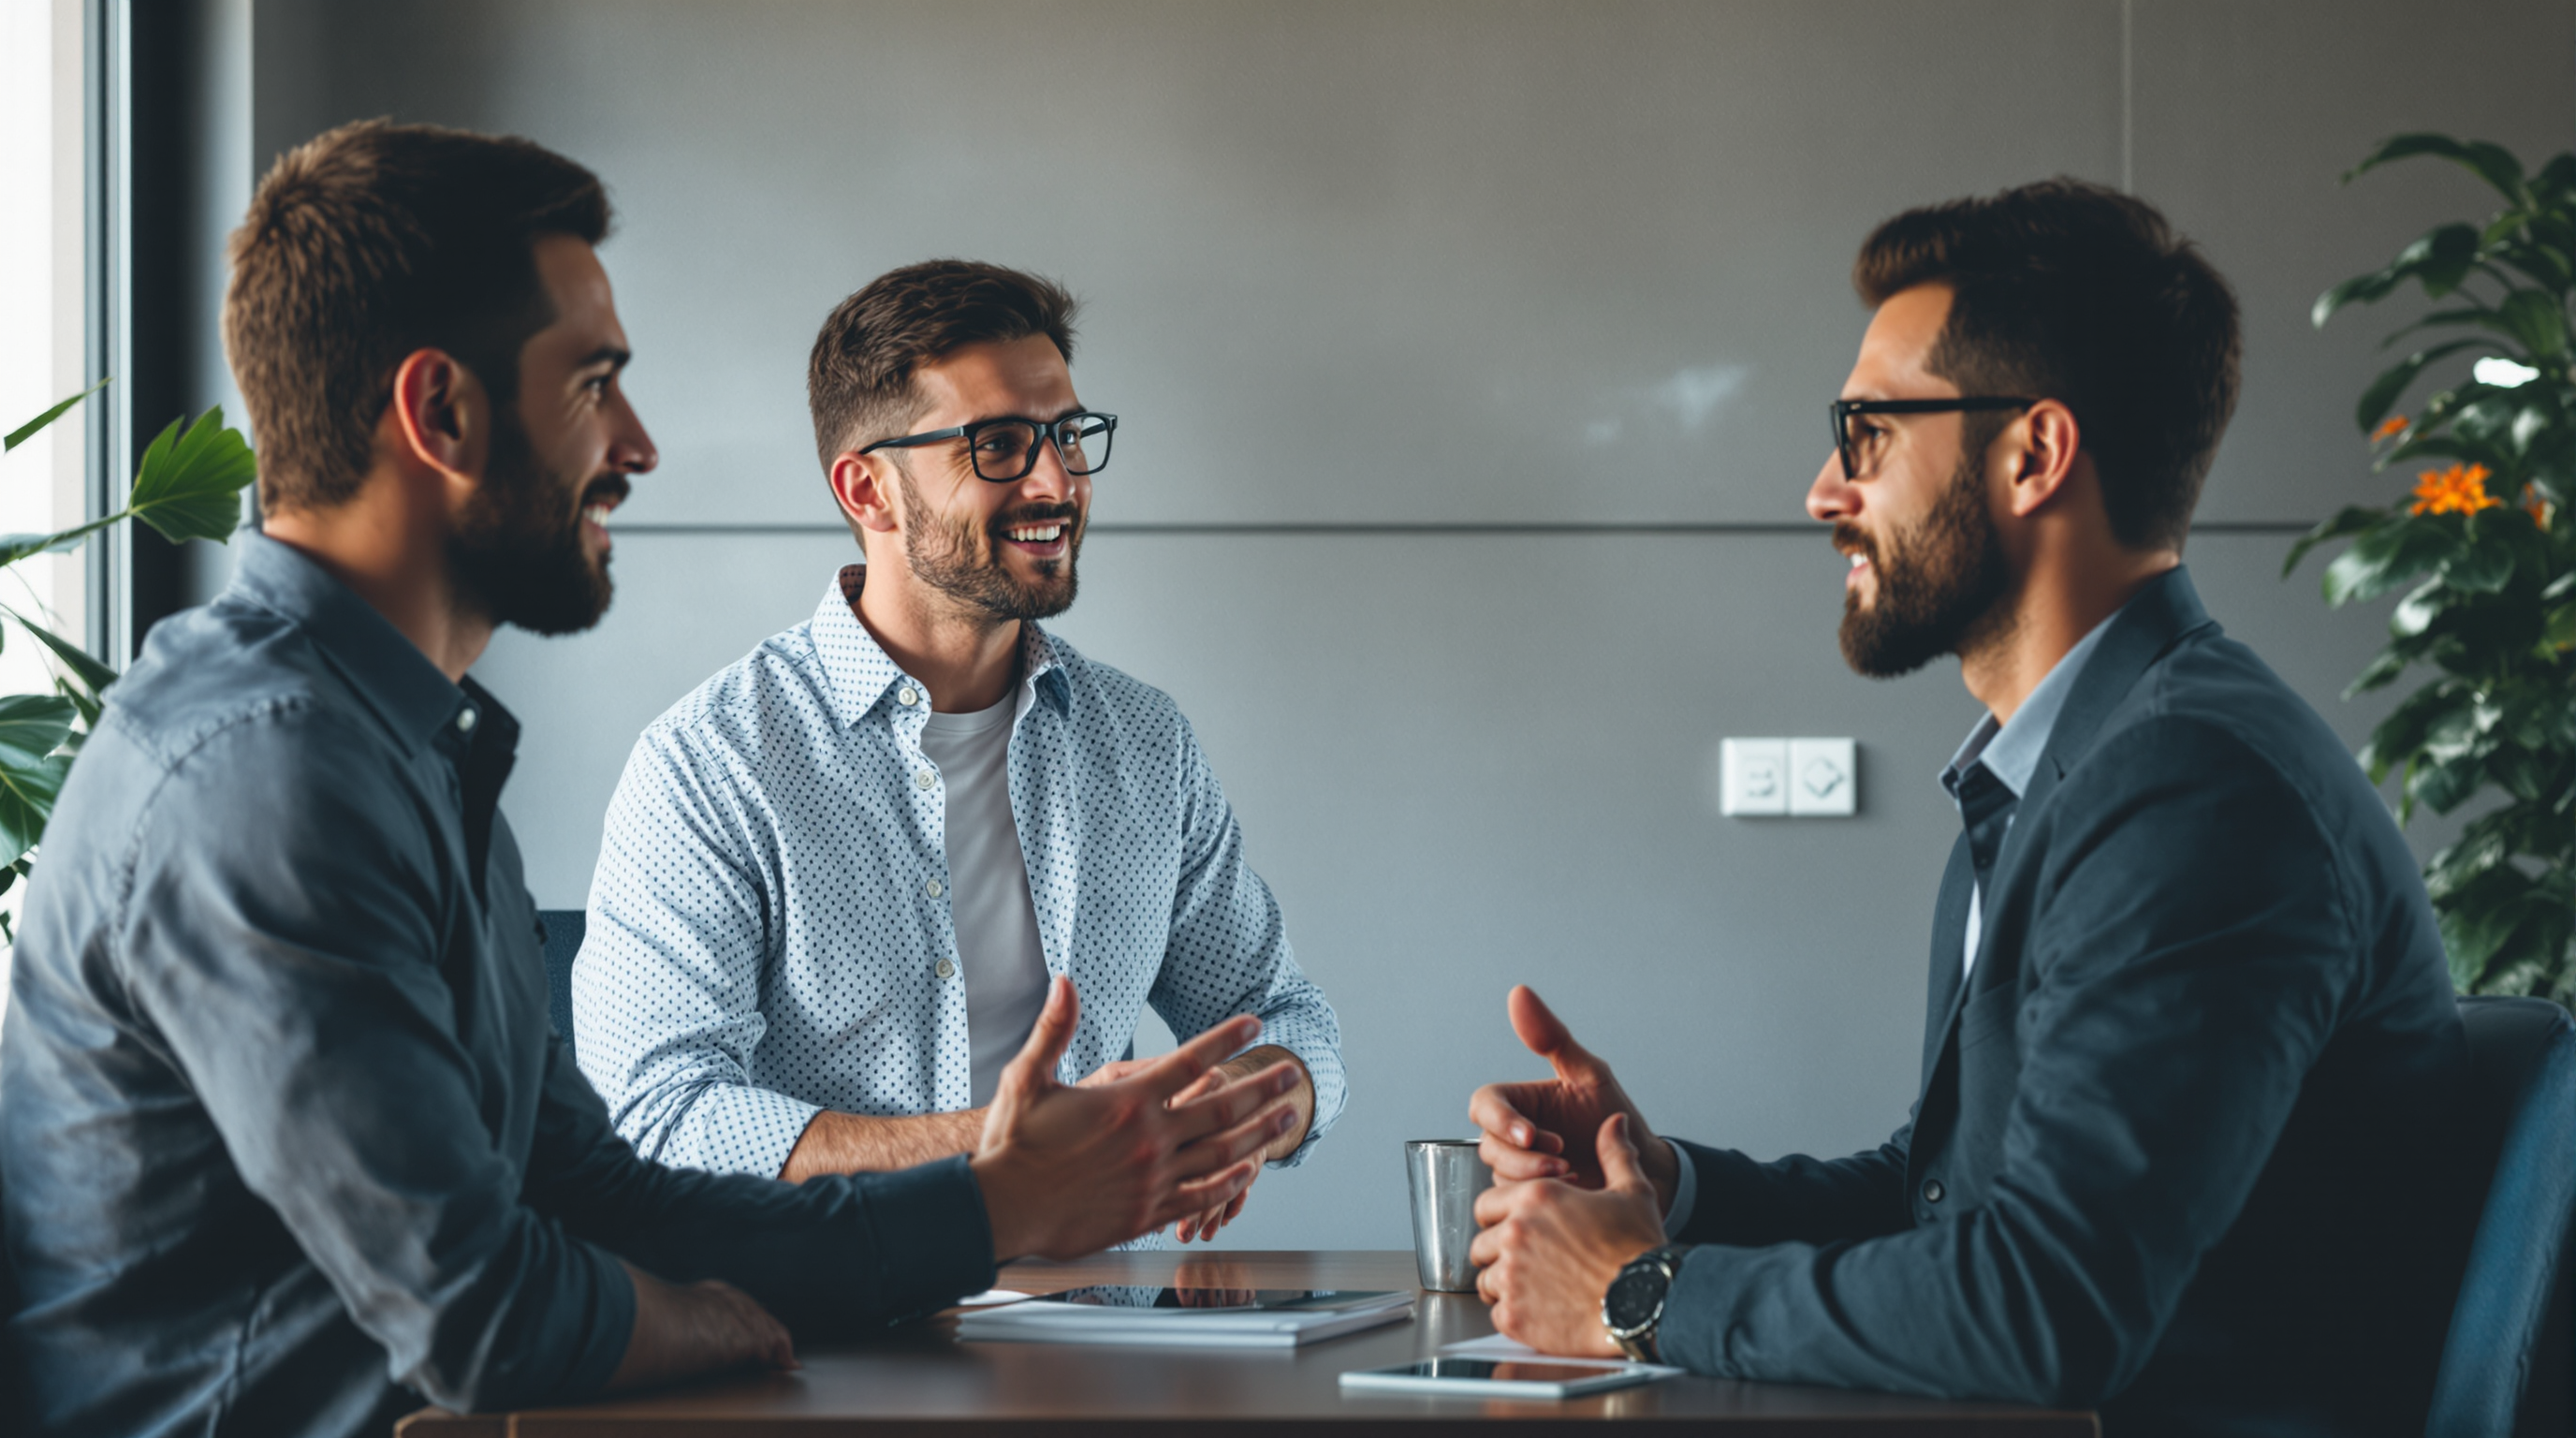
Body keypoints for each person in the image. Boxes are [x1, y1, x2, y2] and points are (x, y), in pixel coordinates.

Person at [0, 122, 1301, 1438]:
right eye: (593, 385)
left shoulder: (409, 752)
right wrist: (704, 1319)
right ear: (440, 412)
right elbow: (484, 1310)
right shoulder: (266, 778)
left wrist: (1000, 1205)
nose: (638, 444)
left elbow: (602, 1198)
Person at [1464, 180, 2467, 1437]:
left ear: (2033, 454)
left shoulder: (2190, 792)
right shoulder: (2067, 770)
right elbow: (1949, 1201)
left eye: (1867, 431)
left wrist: (1636, 1289)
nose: (1827, 491)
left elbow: (2045, 1308)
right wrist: (1670, 1187)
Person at [571, 261, 1344, 1243]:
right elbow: (659, 1119)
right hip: (827, 1348)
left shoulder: (1145, 745)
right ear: (869, 489)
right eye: (1000, 445)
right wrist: (1007, 1155)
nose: (1057, 481)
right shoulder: (712, 763)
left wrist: (1233, 1113)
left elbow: (1285, 1017)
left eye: (1067, 435)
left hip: (1106, 1336)